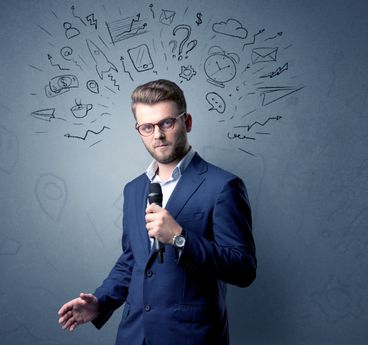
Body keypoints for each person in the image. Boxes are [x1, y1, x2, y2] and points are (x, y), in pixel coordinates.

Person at [58, 79, 257, 345]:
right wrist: (101, 302)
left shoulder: (223, 186)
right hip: (134, 335)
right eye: (147, 127)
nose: (157, 135)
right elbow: (133, 260)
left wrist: (179, 237)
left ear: (186, 122)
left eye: (167, 123)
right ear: (138, 130)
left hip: (191, 337)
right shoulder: (134, 189)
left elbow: (243, 268)